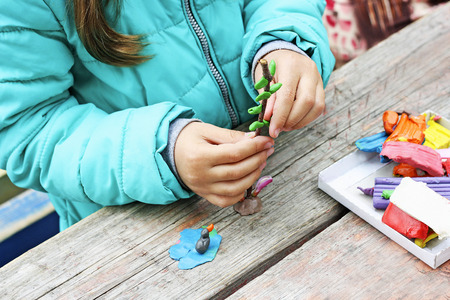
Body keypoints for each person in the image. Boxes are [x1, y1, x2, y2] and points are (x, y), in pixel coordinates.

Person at [0, 0, 335, 230]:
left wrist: (283, 41)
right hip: (131, 232)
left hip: (289, 172)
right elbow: (28, 130)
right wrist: (162, 149)